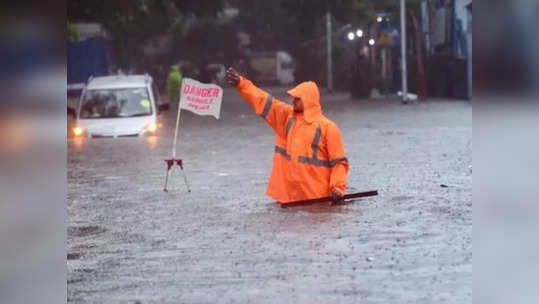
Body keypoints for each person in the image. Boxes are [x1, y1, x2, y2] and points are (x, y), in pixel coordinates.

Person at [226, 67, 349, 204]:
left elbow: (339, 163)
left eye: (298, 98)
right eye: (294, 98)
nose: (293, 101)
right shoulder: (287, 117)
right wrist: (241, 84)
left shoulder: (328, 128)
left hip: (317, 200)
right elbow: (264, 101)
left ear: (309, 100)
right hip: (289, 199)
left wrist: (338, 188)